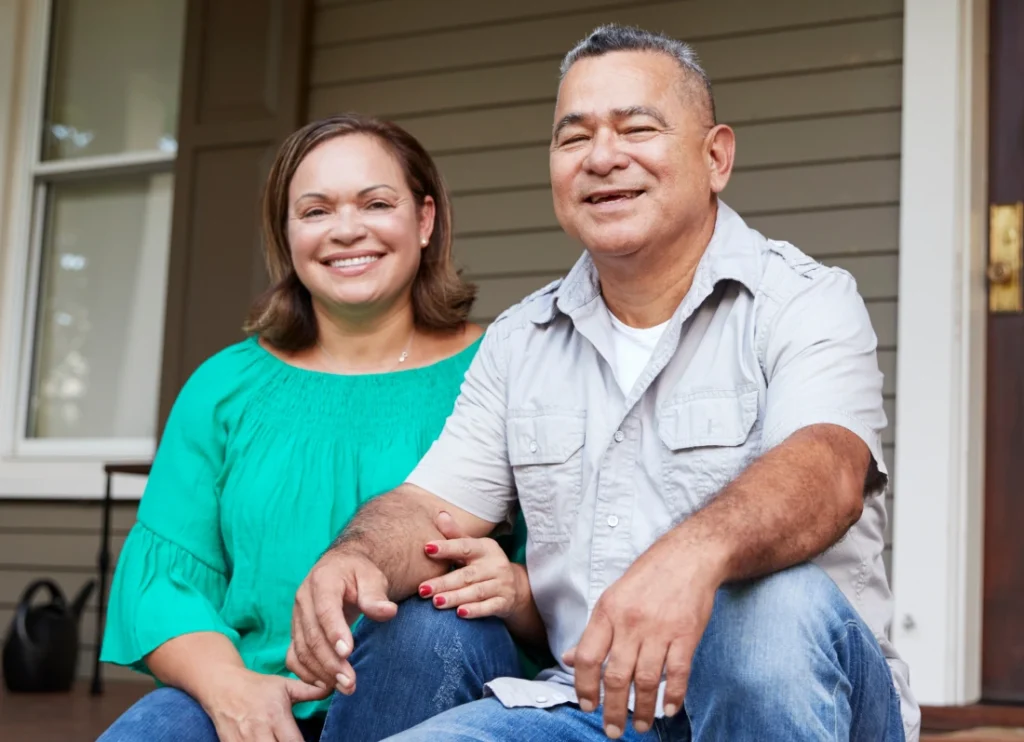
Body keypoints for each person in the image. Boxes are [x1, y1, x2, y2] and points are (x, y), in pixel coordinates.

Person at [291, 24, 919, 742]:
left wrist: (693, 557)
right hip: (592, 710)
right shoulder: (522, 341)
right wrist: (355, 556)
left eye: (637, 128)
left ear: (716, 157)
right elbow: (429, 508)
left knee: (764, 610)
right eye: (574, 137)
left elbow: (827, 469)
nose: (603, 158)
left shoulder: (804, 300)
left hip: (802, 704)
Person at [96, 113, 543, 742]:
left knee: (433, 631)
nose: (346, 230)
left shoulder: (506, 367)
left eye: (375, 203)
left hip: (439, 692)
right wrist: (232, 690)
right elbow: (166, 586)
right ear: (286, 235)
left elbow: (571, 581)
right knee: (156, 729)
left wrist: (518, 588)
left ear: (425, 220)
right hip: (258, 689)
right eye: (315, 211)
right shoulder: (225, 387)